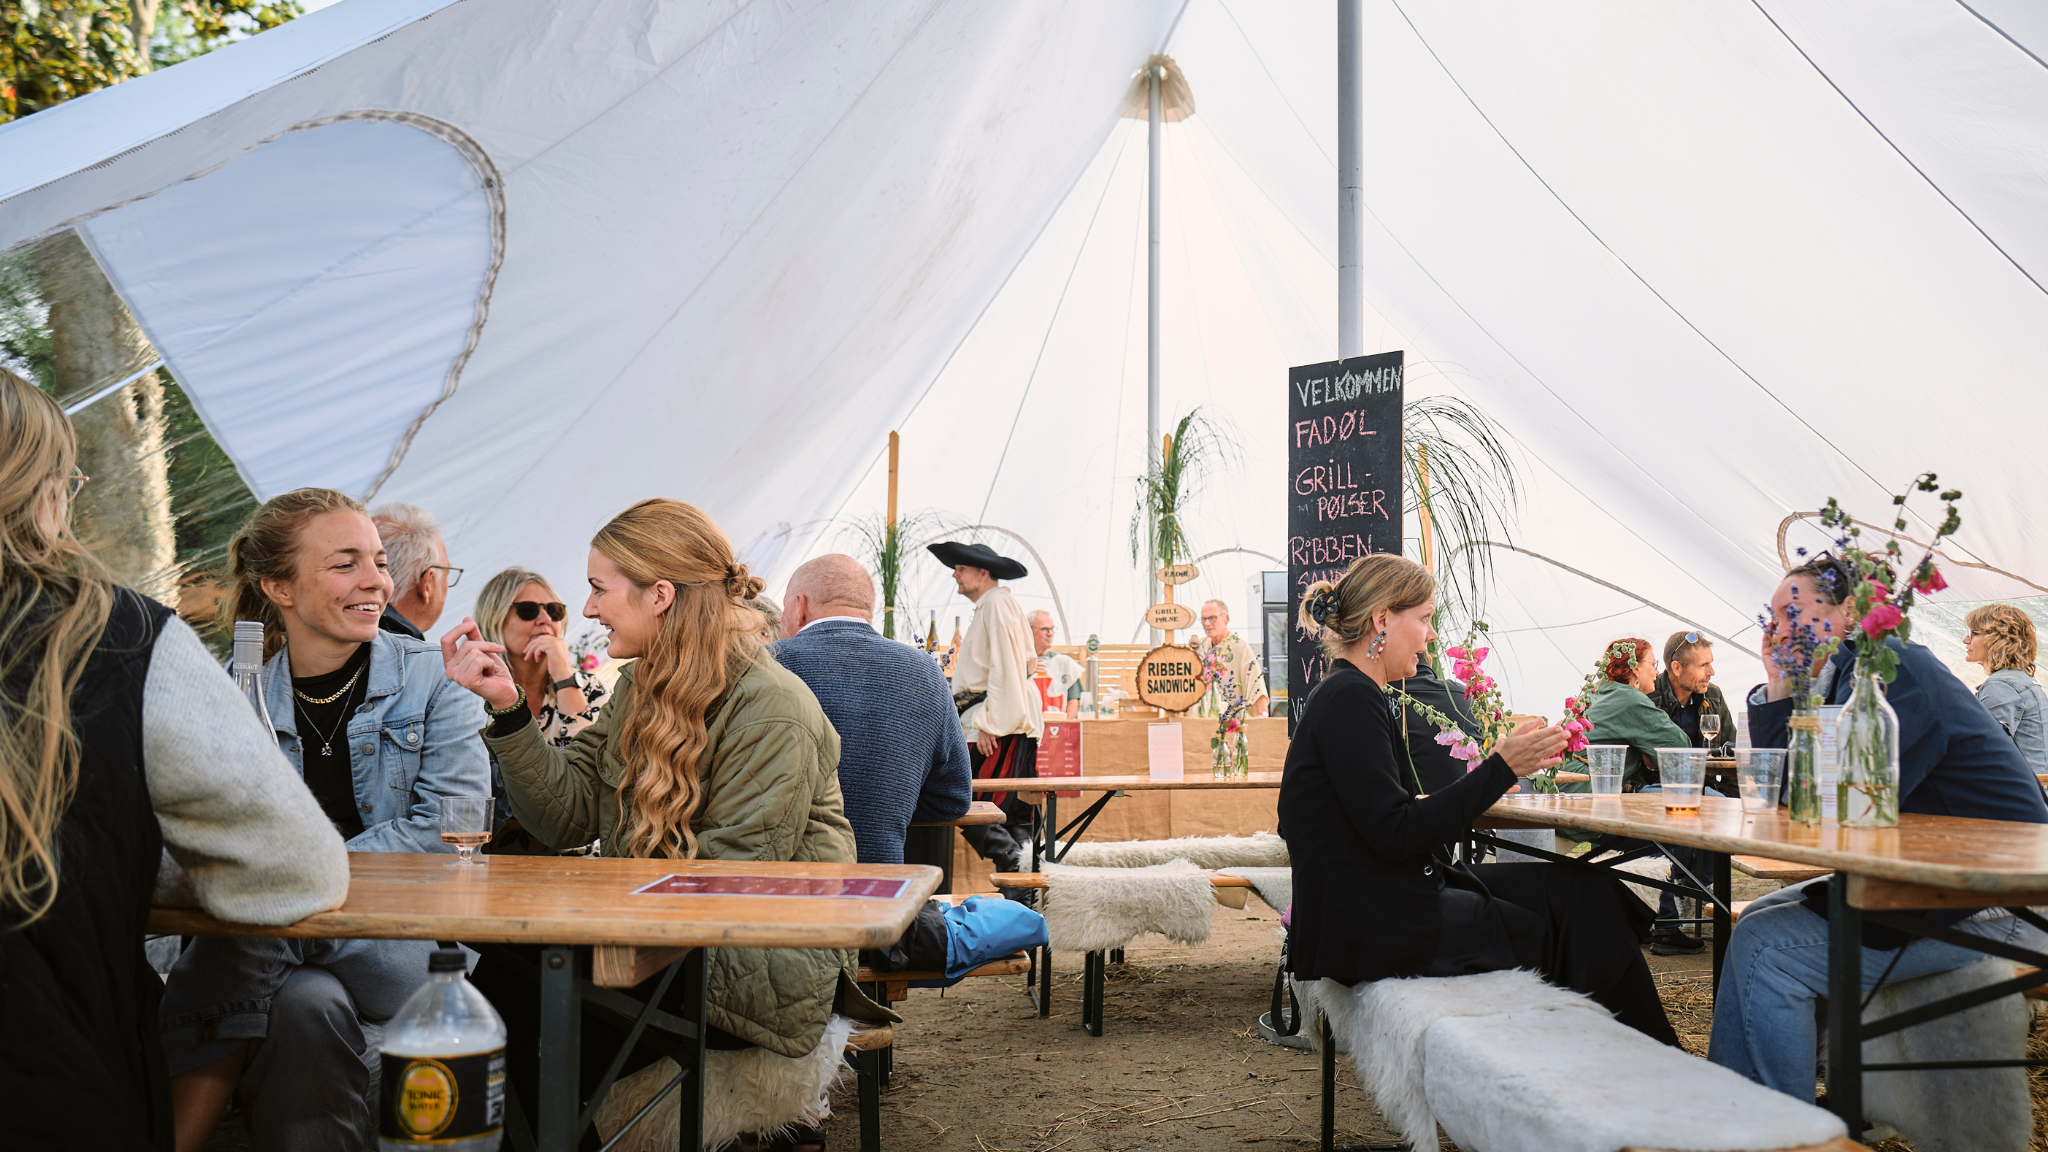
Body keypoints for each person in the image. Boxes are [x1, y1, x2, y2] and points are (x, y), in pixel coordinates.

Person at [443, 499, 889, 1148]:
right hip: (663, 942)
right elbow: (566, 813)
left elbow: (727, 884)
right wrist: (509, 711)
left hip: (750, 967)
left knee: (531, 1007)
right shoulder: (641, 686)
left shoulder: (773, 710)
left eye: (598, 590)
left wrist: (591, 916)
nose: (587, 610)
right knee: (499, 985)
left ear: (659, 595)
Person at [0, 368, 347, 1151]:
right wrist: (123, 856)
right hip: (50, 1084)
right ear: (46, 493)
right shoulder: (116, 637)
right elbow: (300, 869)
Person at [161, 488, 492, 1152]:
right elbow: (195, 836)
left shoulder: (435, 680)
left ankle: (166, 1137)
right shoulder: (234, 694)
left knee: (262, 923)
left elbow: (444, 830)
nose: (377, 579)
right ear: (279, 586)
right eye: (347, 564)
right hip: (289, 964)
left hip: (403, 944)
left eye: (377, 560)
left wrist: (301, 870)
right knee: (305, 1004)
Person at [1280, 553, 1675, 1044]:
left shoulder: (1350, 693)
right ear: (1383, 619)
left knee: (1586, 890)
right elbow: (1397, 831)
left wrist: (1504, 766)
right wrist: (1502, 767)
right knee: (1576, 920)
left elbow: (1383, 822)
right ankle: (1636, 1062)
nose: (1431, 636)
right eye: (1424, 618)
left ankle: (1634, 1055)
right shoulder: (1350, 698)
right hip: (1379, 927)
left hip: (1382, 903)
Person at [1709, 556, 2048, 1103]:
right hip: (1939, 884)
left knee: (1765, 945)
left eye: (1792, 612)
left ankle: (1770, 1132)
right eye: (1772, 617)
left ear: (1848, 610)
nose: (1777, 629)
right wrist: (1778, 683)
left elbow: (1826, 805)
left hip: (2006, 900)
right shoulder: (1851, 673)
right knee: (1764, 914)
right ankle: (1768, 1110)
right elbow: (1789, 790)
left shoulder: (1891, 670)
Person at [772, 554, 972, 872]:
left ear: (799, 606)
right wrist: (888, 807)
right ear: (868, 609)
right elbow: (953, 797)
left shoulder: (765, 665)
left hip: (777, 887)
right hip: (883, 894)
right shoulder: (925, 672)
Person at [1580, 637, 1703, 954]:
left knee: (1667, 821)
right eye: (1652, 665)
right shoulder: (1629, 700)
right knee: (1701, 811)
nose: (1655, 672)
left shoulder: (1596, 692)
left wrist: (1639, 748)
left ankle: (1660, 922)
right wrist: (1644, 749)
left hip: (1579, 792)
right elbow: (1679, 747)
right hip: (1592, 799)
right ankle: (1664, 921)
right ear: (1633, 669)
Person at [473, 567, 606, 853]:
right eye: (528, 610)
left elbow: (586, 772)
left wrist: (563, 676)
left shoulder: (590, 688)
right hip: (485, 853)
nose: (544, 619)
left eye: (554, 610)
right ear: (494, 617)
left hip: (573, 857)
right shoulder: (472, 689)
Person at [926, 540, 1039, 876]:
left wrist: (990, 722)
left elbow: (1007, 666)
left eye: (961, 569)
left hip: (996, 722)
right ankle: (1024, 887)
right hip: (997, 717)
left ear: (983, 572)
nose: (954, 575)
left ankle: (1015, 867)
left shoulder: (996, 606)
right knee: (1007, 810)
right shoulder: (995, 605)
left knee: (971, 804)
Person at [1966, 603, 2048, 777]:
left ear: (1996, 638)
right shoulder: (2022, 679)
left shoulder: (2001, 686)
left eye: (1973, 633)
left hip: (2026, 794)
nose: (1966, 640)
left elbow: (1983, 751)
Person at [1391, 659, 1484, 794]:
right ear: (1429, 660)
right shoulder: (1464, 695)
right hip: (1467, 807)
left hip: (1408, 809)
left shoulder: (1375, 697)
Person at [369, 501, 457, 639]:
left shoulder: (336, 635)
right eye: (447, 574)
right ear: (426, 584)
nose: (446, 585)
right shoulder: (410, 656)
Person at [1650, 631, 1736, 752]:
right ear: (1677, 668)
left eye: (1710, 663)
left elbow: (1733, 747)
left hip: (1704, 771)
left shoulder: (1713, 695)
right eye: (1703, 665)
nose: (1711, 672)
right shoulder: (1648, 695)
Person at [1193, 598, 1270, 718]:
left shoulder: (1240, 647)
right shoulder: (1200, 648)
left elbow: (1256, 686)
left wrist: (1263, 717)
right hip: (1204, 721)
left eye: (1213, 618)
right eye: (1204, 619)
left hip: (1232, 723)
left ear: (1226, 618)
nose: (1207, 623)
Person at [1029, 609, 1084, 719]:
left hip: (1058, 730)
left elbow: (1074, 701)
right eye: (1045, 629)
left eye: (1052, 629)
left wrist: (1064, 727)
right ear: (1029, 631)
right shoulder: (1019, 663)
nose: (1050, 634)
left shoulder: (1065, 663)